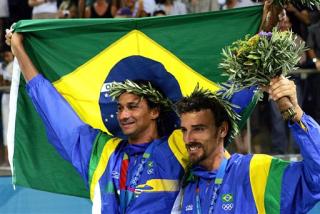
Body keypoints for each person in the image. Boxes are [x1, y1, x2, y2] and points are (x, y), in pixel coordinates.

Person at [6, 31, 188, 213]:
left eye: (133, 106)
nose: (124, 115)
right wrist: (19, 49)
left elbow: (212, 128)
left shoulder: (178, 147)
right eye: (119, 108)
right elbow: (52, 108)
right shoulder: (102, 153)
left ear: (154, 111)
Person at [174, 76, 320, 213]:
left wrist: (295, 112)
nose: (188, 138)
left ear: (222, 130)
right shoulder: (187, 183)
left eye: (198, 129)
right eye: (184, 130)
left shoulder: (254, 172)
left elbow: (316, 176)